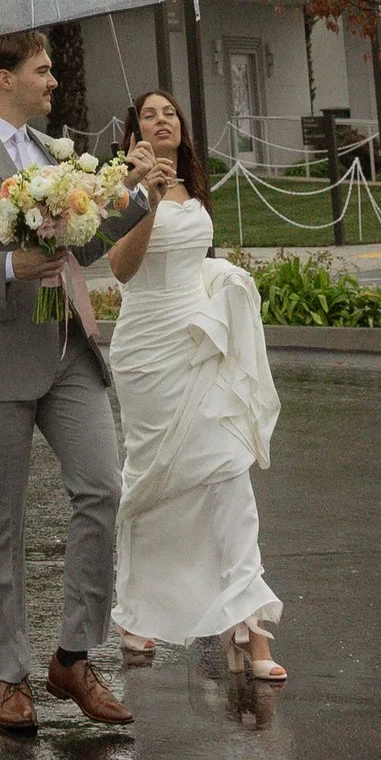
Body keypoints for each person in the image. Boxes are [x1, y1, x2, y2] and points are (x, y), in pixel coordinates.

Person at [0, 30, 149, 737]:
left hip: (65, 345)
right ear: (5, 78)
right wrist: (7, 269)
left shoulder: (54, 157)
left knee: (103, 488)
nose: (53, 83)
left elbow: (79, 245)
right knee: (4, 522)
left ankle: (74, 655)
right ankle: (9, 677)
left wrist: (134, 198)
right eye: (43, 72)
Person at [107, 87, 285, 683]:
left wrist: (223, 282)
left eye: (170, 113)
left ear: (183, 127)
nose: (162, 120)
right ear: (134, 132)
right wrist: (146, 199)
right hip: (146, 349)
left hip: (200, 341)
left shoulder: (195, 184)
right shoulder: (123, 185)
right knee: (152, 474)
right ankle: (137, 610)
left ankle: (249, 625)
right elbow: (122, 269)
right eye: (149, 115)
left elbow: (191, 258)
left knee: (227, 469)